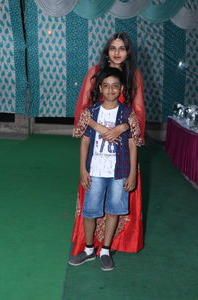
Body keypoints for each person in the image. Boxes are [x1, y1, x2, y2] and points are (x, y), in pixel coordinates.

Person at [71, 32, 145, 256]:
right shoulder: (95, 72)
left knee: (119, 198)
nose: (117, 52)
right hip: (96, 143)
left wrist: (122, 128)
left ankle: (112, 246)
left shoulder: (134, 76)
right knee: (91, 201)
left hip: (124, 148)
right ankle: (88, 246)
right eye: (113, 48)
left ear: (128, 52)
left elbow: (139, 111)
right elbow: (83, 107)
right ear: (107, 51)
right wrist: (100, 127)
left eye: (122, 48)